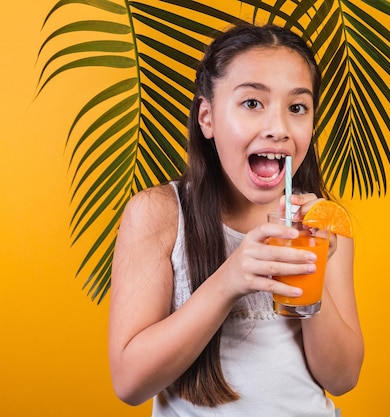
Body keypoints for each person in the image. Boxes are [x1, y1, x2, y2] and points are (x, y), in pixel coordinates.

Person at [108, 23, 364, 417]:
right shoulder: (158, 213)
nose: (278, 128)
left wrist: (310, 279)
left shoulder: (323, 224)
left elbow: (342, 377)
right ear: (207, 118)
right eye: (252, 103)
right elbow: (129, 383)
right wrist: (230, 279)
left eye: (297, 108)